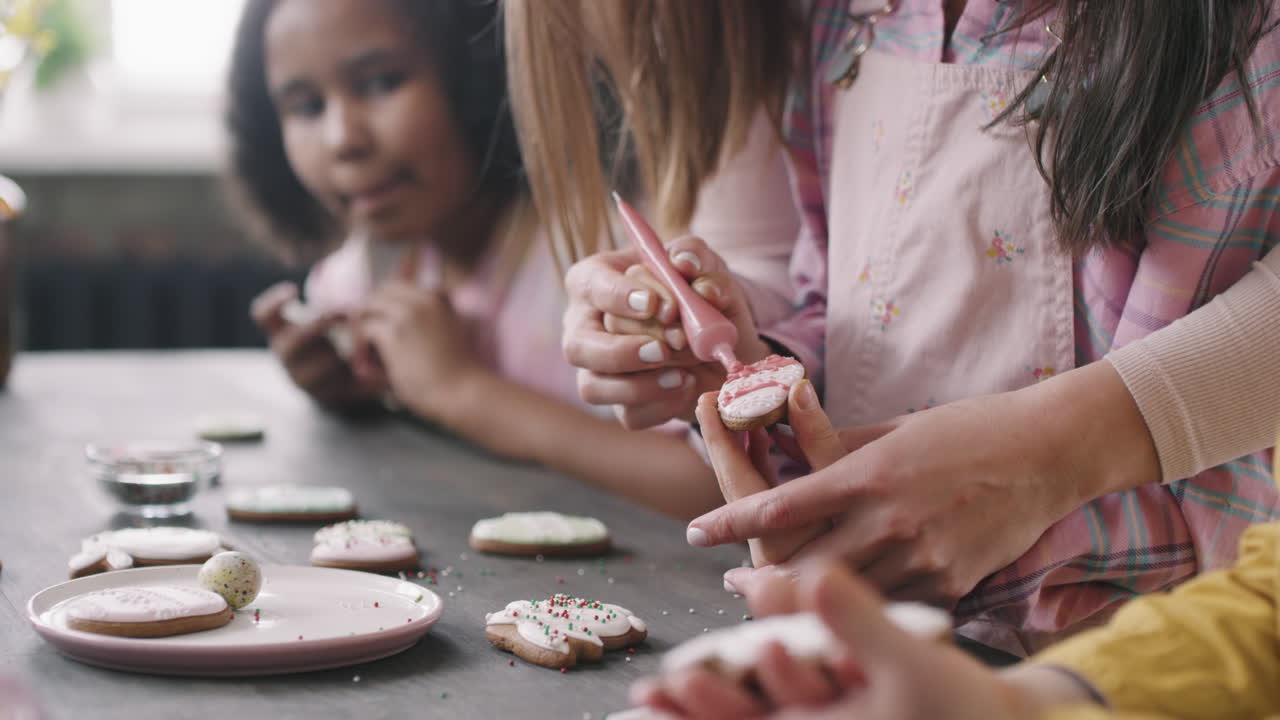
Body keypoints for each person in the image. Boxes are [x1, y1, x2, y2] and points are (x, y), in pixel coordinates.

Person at [505, 0, 1280, 654]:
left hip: (1124, 661)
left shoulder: (1230, 42)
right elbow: (838, 302)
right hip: (897, 643)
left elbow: (1208, 475)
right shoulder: (854, 19)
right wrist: (757, 363)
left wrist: (1034, 479)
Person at [221, 0, 798, 519]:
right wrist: (341, 386)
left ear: (478, 71)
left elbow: (720, 486)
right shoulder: (354, 278)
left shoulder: (614, 271)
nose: (343, 138)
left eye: (381, 82)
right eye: (306, 106)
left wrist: (461, 393)